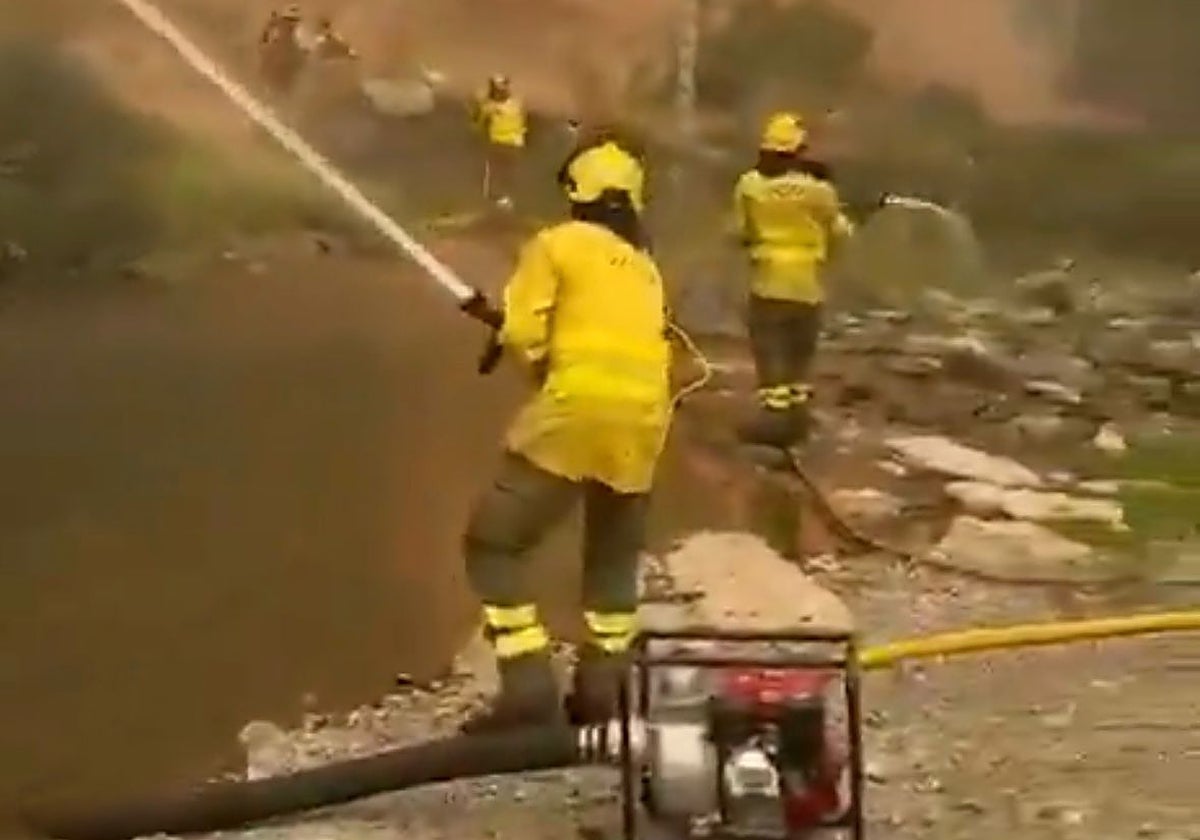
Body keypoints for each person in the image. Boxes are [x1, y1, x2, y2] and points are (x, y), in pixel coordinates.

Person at [461, 142, 671, 732]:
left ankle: (528, 685)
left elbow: (528, 334)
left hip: (576, 412)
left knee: (493, 542)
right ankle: (602, 694)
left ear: (575, 194)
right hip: (645, 422)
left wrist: (511, 336)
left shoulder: (556, 243)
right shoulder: (644, 267)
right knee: (610, 560)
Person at [732, 111, 854, 449]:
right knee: (800, 356)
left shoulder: (750, 186)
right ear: (800, 151)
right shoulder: (820, 192)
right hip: (808, 287)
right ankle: (797, 420)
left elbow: (738, 231)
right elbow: (840, 231)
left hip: (768, 283)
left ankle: (773, 423)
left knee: (771, 355)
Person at [472, 75, 528, 210]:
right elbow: (478, 123)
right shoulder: (489, 107)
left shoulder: (517, 103)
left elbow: (524, 120)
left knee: (509, 171)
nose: (501, 90)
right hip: (498, 142)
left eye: (503, 86)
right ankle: (498, 196)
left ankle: (506, 196)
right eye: (498, 87)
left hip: (514, 142)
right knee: (497, 171)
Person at [259, 5, 306, 96]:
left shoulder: (278, 23)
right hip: (284, 51)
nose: (291, 24)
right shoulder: (281, 24)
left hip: (285, 51)